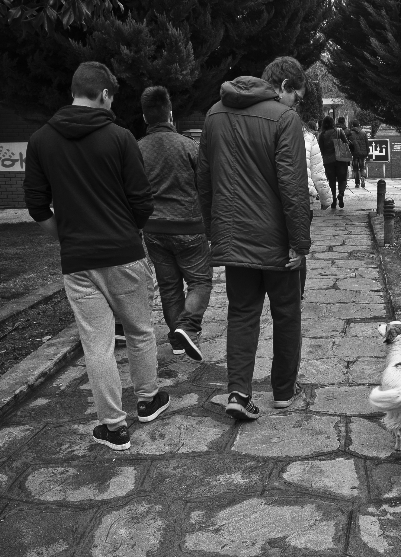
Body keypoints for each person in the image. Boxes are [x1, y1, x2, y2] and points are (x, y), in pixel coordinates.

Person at [24, 61, 169, 451]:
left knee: (98, 344)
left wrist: (66, 239)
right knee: (139, 331)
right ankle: (149, 399)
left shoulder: (40, 140)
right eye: (112, 98)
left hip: (78, 261)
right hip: (124, 252)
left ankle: (113, 426)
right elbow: (142, 202)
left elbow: (36, 205)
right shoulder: (120, 138)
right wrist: (128, 230)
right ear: (104, 94)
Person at [197, 56, 311, 421]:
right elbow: (292, 187)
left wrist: (213, 230)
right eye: (296, 96)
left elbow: (203, 180)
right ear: (284, 87)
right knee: (286, 314)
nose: (294, 104)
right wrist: (299, 243)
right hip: (277, 241)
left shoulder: (214, 114)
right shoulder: (283, 119)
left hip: (234, 239)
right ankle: (283, 390)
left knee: (242, 313)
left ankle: (238, 392)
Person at [137, 86, 212, 362]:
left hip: (154, 229)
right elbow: (204, 186)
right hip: (189, 226)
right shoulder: (188, 146)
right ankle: (187, 326)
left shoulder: (135, 149)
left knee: (169, 286)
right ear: (170, 113)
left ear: (145, 118)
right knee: (200, 281)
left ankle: (178, 341)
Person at [297, 84, 330, 298]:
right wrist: (326, 199)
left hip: (274, 201)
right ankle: (298, 291)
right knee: (299, 248)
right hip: (303, 200)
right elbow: (318, 173)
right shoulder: (309, 137)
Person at [318, 115, 350, 209]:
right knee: (342, 179)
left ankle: (334, 199)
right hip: (341, 159)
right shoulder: (339, 131)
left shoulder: (322, 135)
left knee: (331, 180)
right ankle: (341, 194)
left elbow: (321, 149)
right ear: (333, 123)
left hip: (328, 160)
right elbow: (346, 143)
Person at [347, 120, 370, 189]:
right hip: (362, 153)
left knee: (356, 169)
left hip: (355, 153)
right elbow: (367, 143)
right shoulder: (363, 132)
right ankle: (363, 177)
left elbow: (349, 144)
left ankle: (357, 183)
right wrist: (367, 152)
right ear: (359, 124)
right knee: (362, 167)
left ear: (353, 125)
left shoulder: (350, 133)